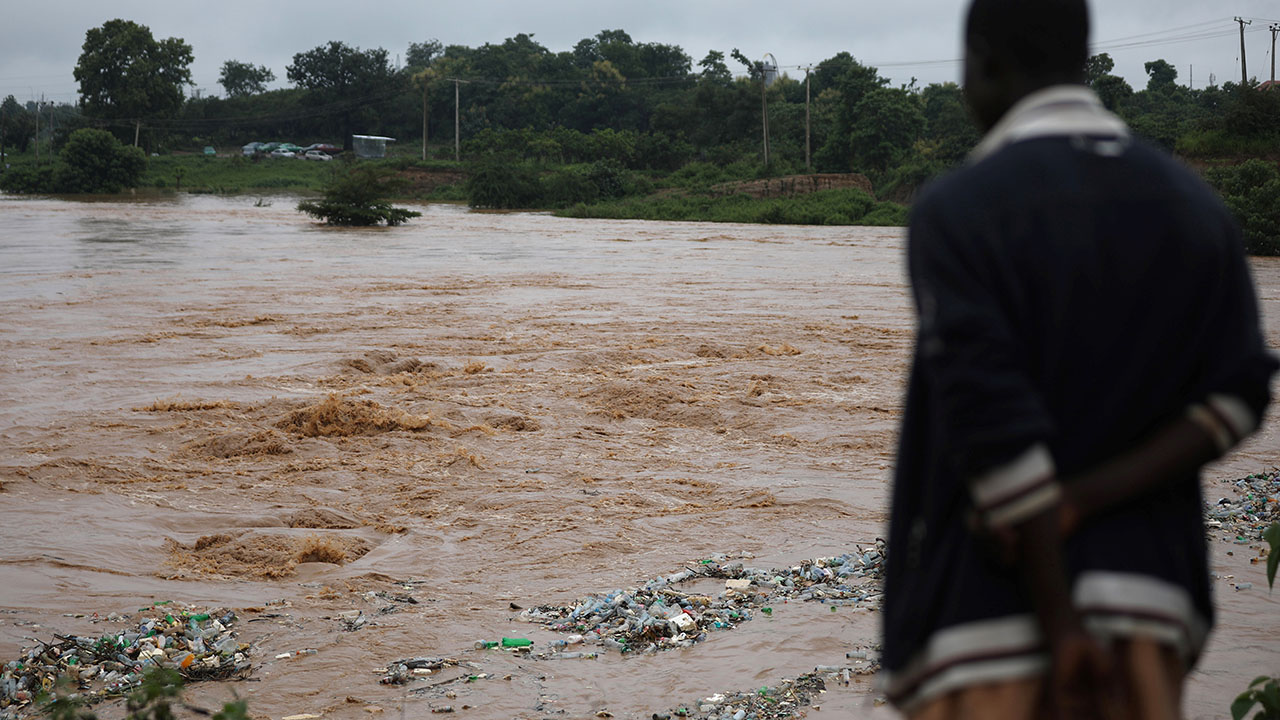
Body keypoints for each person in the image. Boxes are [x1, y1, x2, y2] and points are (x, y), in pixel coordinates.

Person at [881, 0, 1278, 718]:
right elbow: (1240, 394)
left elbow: (988, 416)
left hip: (985, 614)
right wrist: (1084, 499)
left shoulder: (960, 207)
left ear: (983, 62)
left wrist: (1061, 619)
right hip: (1149, 597)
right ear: (1081, 59)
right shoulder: (1195, 206)